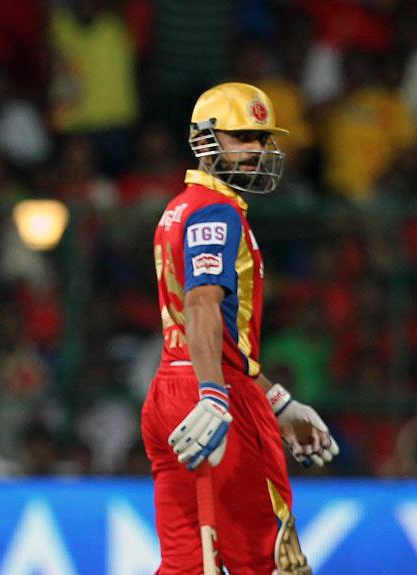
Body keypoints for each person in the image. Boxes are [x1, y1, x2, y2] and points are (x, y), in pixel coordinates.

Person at [141, 82, 340, 575]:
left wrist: (281, 402)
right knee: (272, 561)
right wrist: (213, 393)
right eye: (241, 137)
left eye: (260, 139)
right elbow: (203, 304)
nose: (255, 150)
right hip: (217, 393)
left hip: (170, 390)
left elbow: (207, 329)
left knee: (185, 565)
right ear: (205, 138)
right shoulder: (218, 211)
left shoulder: (178, 207)